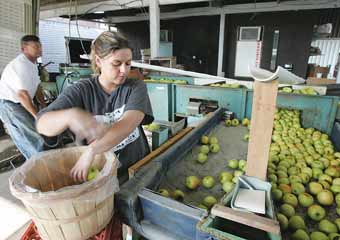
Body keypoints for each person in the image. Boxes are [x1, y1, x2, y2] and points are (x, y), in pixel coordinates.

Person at [36, 31, 154, 184]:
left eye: (128, 63)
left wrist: (92, 150)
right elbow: (42, 124)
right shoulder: (81, 90)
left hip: (137, 168)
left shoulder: (135, 86)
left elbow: (129, 123)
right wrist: (70, 115)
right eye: (116, 64)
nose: (124, 70)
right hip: (100, 178)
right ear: (98, 61)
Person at [0, 35, 47, 159]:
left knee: (35, 135)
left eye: (40, 46)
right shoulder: (20, 65)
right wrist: (36, 116)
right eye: (36, 46)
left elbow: (38, 87)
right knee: (32, 139)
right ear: (24, 48)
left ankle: (41, 165)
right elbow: (22, 95)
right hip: (11, 105)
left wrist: (44, 106)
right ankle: (40, 169)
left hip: (20, 103)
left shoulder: (32, 64)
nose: (40, 49)